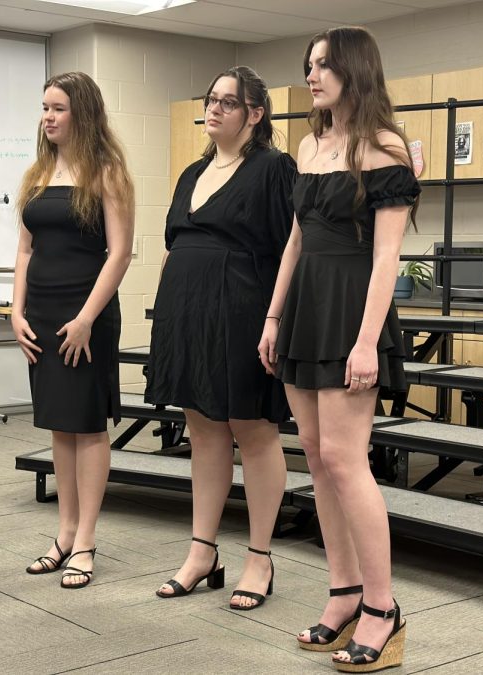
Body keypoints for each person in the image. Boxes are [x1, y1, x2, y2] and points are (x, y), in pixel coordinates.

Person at [259, 27, 419, 672]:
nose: (313, 74)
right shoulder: (308, 144)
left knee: (348, 463)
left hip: (354, 309)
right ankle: (344, 593)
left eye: (325, 64)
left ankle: (383, 609)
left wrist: (364, 344)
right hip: (305, 307)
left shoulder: (385, 147)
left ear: (355, 71)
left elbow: (386, 257)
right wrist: (273, 317)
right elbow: (296, 242)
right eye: (308, 64)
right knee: (319, 462)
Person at [146, 66, 296, 610]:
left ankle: (260, 557)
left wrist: (275, 321)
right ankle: (202, 551)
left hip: (243, 312)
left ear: (255, 114)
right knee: (203, 430)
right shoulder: (192, 172)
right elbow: (174, 244)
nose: (213, 110)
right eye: (210, 100)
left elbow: (289, 252)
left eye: (227, 103)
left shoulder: (275, 169)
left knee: (254, 432)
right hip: (188, 314)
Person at [14, 72, 134, 589]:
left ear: (82, 113)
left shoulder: (107, 172)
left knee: (86, 425)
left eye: (58, 108)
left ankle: (85, 541)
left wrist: (86, 318)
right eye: (44, 107)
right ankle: (62, 533)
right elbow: (25, 251)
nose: (48, 117)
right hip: (40, 314)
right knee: (59, 426)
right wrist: (14, 312)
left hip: (87, 316)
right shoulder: (37, 173)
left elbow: (121, 252)